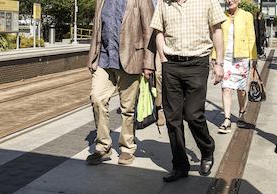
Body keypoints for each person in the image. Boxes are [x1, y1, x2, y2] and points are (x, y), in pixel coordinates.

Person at [150, 0, 226, 182]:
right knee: (172, 118)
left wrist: (219, 63)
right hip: (171, 64)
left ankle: (207, 150)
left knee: (193, 114)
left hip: (197, 63)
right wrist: (162, 56)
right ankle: (179, 165)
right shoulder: (163, 3)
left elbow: (216, 30)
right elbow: (158, 32)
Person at [86, 0, 155, 165]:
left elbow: (149, 31)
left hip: (130, 59)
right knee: (97, 98)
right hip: (104, 59)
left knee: (127, 108)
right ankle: (103, 146)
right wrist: (91, 57)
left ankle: (127, 148)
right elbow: (96, 29)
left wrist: (149, 63)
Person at [214, 0, 257, 133]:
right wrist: (215, 57)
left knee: (241, 90)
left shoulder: (247, 15)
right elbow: (215, 36)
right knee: (226, 88)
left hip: (242, 58)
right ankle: (227, 119)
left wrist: (253, 58)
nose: (229, 1)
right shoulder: (221, 16)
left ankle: (242, 113)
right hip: (225, 58)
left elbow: (251, 37)